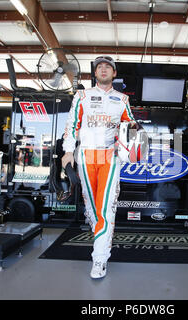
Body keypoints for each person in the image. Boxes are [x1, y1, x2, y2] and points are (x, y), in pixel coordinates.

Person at [62, 56, 137, 279]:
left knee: (106, 208)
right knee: (92, 208)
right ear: (95, 73)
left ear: (114, 73)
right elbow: (72, 123)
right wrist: (68, 151)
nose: (103, 69)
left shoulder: (122, 99)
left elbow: (131, 124)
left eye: (108, 67)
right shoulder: (82, 95)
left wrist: (132, 137)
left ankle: (100, 258)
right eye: (99, 67)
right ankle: (101, 240)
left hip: (110, 156)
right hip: (85, 155)